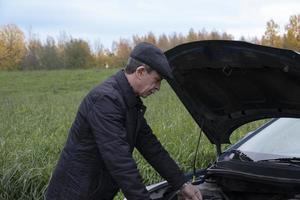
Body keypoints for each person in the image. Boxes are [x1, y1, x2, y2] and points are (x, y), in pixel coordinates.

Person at [45, 42, 202, 200]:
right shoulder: (105, 100)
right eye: (156, 80)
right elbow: (120, 163)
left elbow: (152, 148)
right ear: (140, 72)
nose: (158, 87)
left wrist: (182, 184)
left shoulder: (130, 102)